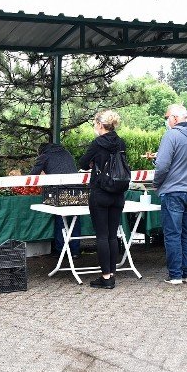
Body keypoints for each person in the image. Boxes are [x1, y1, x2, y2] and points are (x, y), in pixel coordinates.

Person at [152, 104, 187, 285]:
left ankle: (175, 275)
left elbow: (162, 166)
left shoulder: (171, 136)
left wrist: (157, 184)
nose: (166, 121)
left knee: (172, 235)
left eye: (167, 117)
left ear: (175, 118)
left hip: (173, 192)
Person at [79, 110, 127, 289]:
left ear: (100, 124)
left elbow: (83, 163)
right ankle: (112, 274)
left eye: (95, 124)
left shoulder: (97, 143)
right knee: (112, 236)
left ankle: (106, 277)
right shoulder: (121, 142)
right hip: (118, 192)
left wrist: (94, 162)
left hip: (100, 192)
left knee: (102, 236)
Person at [29, 141, 81, 257]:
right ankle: (75, 251)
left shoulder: (44, 156)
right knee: (75, 218)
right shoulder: (66, 152)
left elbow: (33, 175)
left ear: (40, 151)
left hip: (59, 190)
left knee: (61, 219)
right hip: (77, 190)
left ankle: (60, 250)